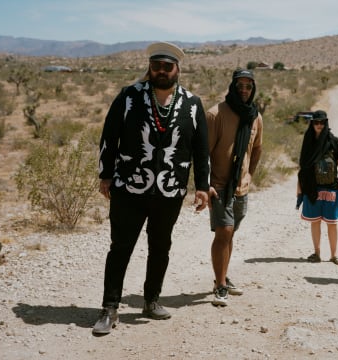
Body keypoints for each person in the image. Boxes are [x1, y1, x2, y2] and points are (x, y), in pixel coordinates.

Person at [93, 42, 210, 335]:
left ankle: (151, 301)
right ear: (150, 67)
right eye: (156, 65)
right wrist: (105, 175)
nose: (161, 71)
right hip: (129, 188)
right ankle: (109, 308)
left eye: (167, 66)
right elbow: (109, 136)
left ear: (177, 69)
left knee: (160, 248)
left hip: (170, 191)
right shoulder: (129, 96)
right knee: (120, 248)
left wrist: (203, 186)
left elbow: (200, 149)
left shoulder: (192, 103)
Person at [206, 68, 263, 307]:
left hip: (242, 187)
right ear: (232, 86)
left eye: (248, 86)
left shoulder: (255, 117)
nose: (244, 90)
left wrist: (249, 175)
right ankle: (220, 285)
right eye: (240, 85)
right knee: (224, 232)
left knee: (231, 232)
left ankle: (223, 277)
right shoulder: (215, 114)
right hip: (218, 186)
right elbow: (203, 153)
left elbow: (257, 148)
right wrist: (204, 185)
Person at [297, 110, 338, 266]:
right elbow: (303, 167)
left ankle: (334, 255)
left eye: (321, 122)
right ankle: (317, 253)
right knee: (315, 221)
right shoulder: (308, 141)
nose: (319, 125)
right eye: (316, 122)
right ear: (312, 124)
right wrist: (299, 187)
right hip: (312, 187)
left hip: (331, 187)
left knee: (332, 222)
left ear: (326, 123)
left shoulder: (334, 141)